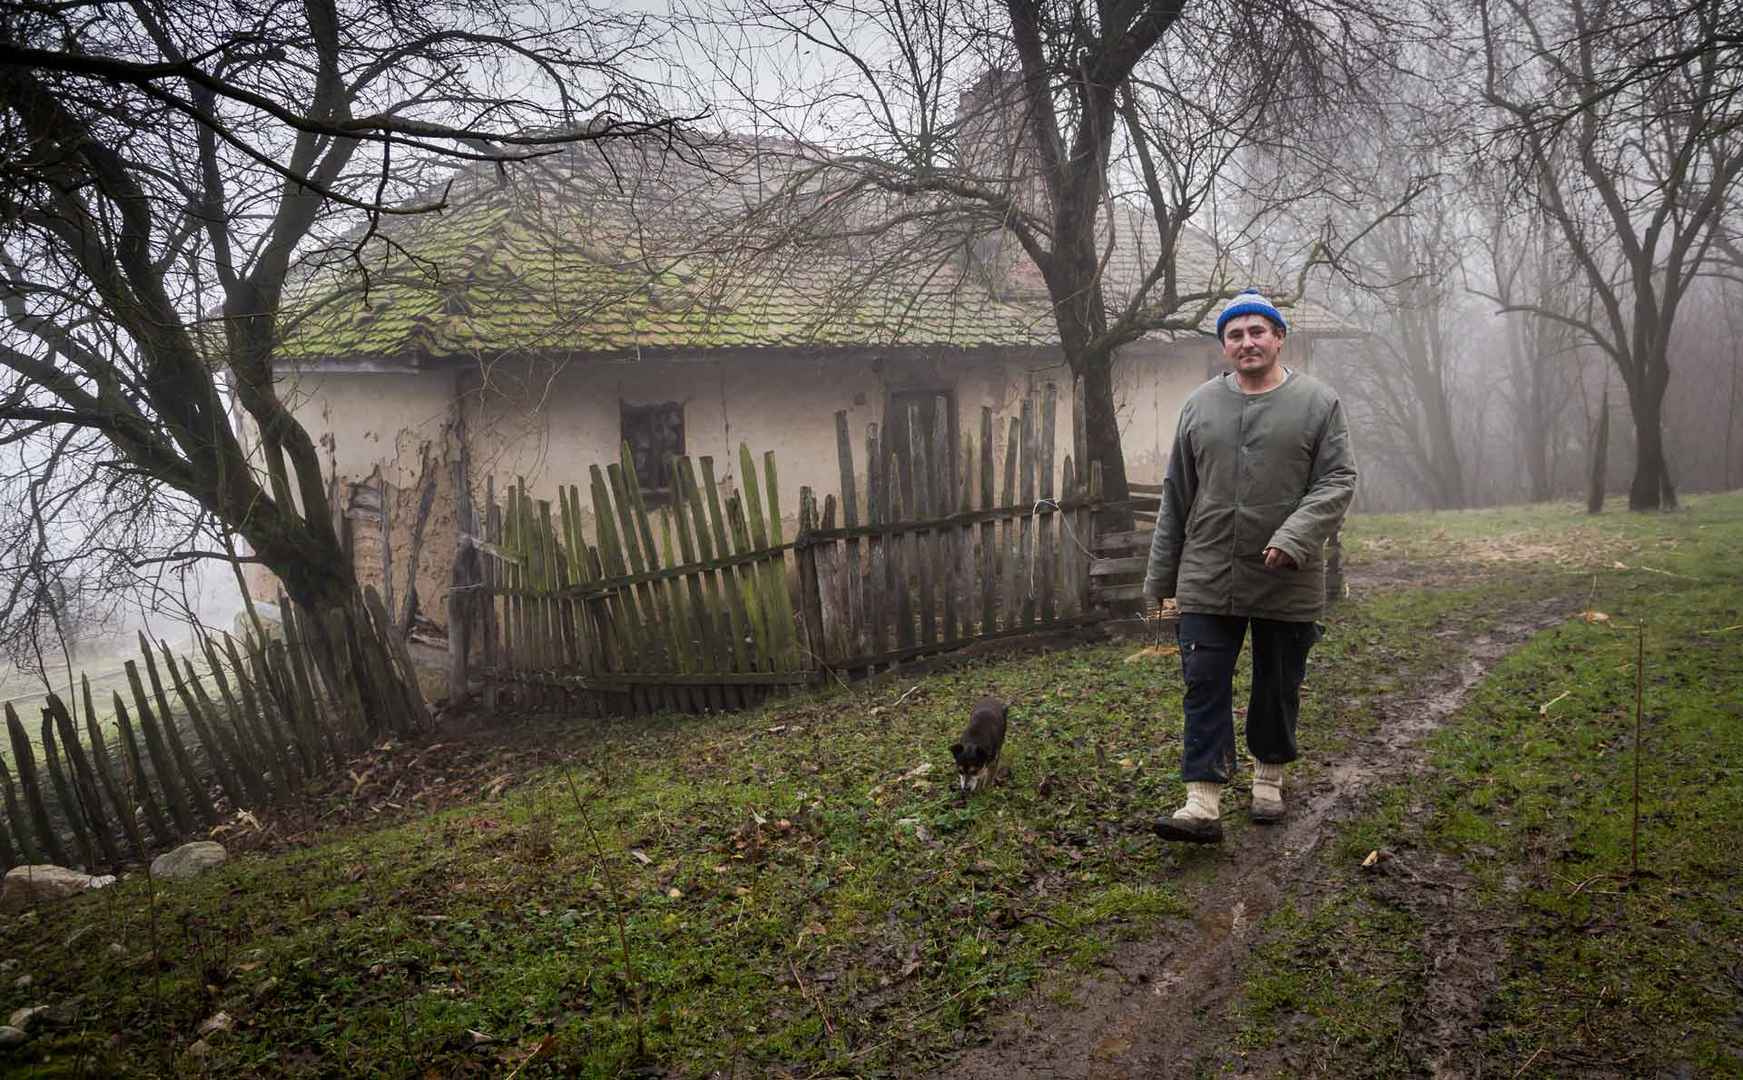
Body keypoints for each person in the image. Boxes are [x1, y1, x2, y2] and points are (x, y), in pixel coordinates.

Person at [1143, 288, 1358, 843]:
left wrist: (1295, 536)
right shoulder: (1199, 406)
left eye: (1257, 331)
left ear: (1279, 337)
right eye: (1234, 335)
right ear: (1223, 347)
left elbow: (1338, 480)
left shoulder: (1317, 402)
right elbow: (1176, 492)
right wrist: (1161, 580)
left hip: (1287, 575)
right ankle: (1202, 802)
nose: (1247, 343)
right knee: (1204, 683)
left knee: (1277, 682)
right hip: (1208, 570)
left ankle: (1268, 781)